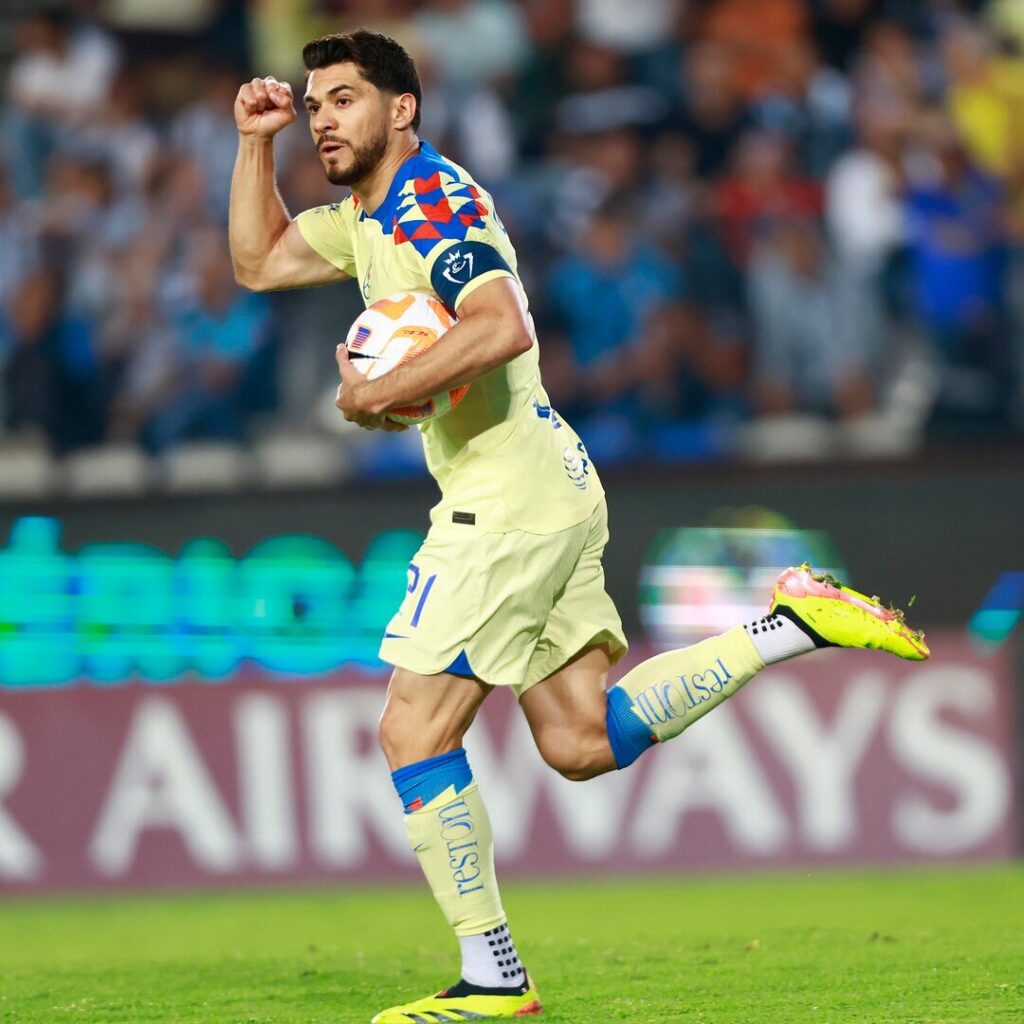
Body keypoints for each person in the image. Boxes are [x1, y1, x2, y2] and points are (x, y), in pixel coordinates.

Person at [228, 30, 929, 1023]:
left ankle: (492, 976)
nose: (322, 120)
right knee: (579, 738)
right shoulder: (362, 216)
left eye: (343, 99)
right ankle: (791, 625)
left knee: (411, 726)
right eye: (313, 106)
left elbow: (503, 322)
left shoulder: (433, 204)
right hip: (544, 479)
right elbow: (258, 261)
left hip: (506, 493)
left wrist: (379, 389)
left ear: (402, 109)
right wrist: (253, 144)